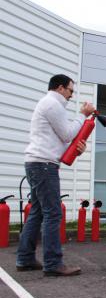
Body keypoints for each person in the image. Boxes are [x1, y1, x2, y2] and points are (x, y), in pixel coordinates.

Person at [16, 74, 96, 276]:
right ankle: (53, 264)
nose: (71, 95)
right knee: (53, 213)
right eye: (71, 90)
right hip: (43, 165)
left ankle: (25, 259)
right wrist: (83, 115)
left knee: (38, 212)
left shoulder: (49, 104)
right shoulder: (52, 104)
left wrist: (77, 149)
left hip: (38, 163)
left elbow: (61, 139)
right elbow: (68, 133)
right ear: (60, 88)